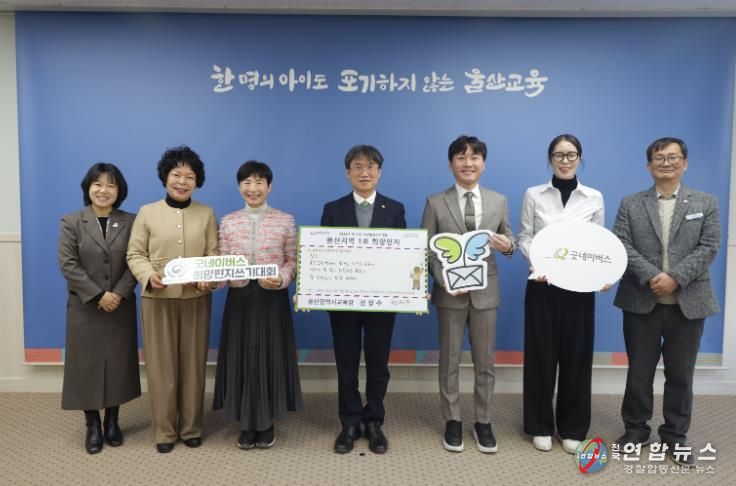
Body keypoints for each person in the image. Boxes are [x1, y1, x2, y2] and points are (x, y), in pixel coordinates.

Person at [613, 137, 720, 466]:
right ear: (649, 166)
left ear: (684, 163)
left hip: (689, 303)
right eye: (659, 158)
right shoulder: (631, 203)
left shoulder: (705, 202)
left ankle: (675, 436)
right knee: (639, 372)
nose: (666, 163)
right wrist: (651, 275)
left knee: (681, 375)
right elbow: (621, 244)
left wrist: (675, 277)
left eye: (673, 157)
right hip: (640, 300)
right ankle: (635, 430)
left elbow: (709, 246)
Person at [421, 135, 515, 453]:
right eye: (461, 157)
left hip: (486, 294)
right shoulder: (435, 202)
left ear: (483, 164)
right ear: (451, 164)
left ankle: (483, 421)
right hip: (450, 293)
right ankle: (452, 420)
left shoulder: (498, 200)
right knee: (449, 360)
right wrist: (442, 280)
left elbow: (509, 240)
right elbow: (426, 249)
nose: (468, 163)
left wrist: (508, 246)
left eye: (474, 157)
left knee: (485, 362)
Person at [127, 145, 218, 453]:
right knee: (161, 367)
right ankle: (164, 432)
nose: (182, 181)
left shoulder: (206, 213)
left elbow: (213, 254)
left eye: (189, 176)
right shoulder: (147, 212)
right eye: (176, 175)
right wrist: (147, 275)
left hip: (196, 298)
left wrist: (208, 277)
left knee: (193, 366)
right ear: (165, 177)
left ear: (197, 181)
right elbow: (135, 254)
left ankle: (192, 428)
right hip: (157, 299)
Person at [517, 134, 605, 453]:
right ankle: (539, 425)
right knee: (540, 356)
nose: (565, 161)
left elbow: (598, 244)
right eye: (558, 155)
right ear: (550, 159)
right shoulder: (534, 194)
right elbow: (525, 236)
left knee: (576, 358)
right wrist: (539, 262)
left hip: (579, 289)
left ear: (580, 158)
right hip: (543, 285)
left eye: (571, 155)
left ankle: (571, 427)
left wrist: (601, 274)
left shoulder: (593, 197)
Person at [320, 144, 406, 454]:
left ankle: (374, 421)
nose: (364, 172)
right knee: (346, 364)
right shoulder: (333, 209)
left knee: (378, 364)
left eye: (371, 167)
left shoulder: (394, 209)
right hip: (343, 303)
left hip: (382, 303)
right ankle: (350, 423)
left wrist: (412, 286)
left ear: (379, 173)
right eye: (358, 166)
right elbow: (323, 256)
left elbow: (404, 256)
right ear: (348, 173)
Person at [213, 161, 303, 449]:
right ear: (239, 187)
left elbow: (292, 262)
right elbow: (222, 263)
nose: (253, 188)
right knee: (242, 358)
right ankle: (245, 422)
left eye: (259, 182)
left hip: (271, 299)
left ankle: (265, 422)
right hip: (239, 299)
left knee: (268, 357)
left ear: (269, 186)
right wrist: (213, 281)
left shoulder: (285, 221)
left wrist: (282, 278)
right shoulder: (228, 222)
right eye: (246, 183)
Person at [58, 162, 140, 454]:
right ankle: (92, 423)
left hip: (120, 305)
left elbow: (136, 259)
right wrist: (97, 295)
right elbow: (68, 264)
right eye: (98, 184)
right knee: (86, 366)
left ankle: (113, 421)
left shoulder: (131, 221)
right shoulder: (71, 221)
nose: (104, 190)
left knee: (118, 364)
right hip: (85, 307)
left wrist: (118, 293)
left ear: (119, 191)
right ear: (88, 188)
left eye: (111, 185)